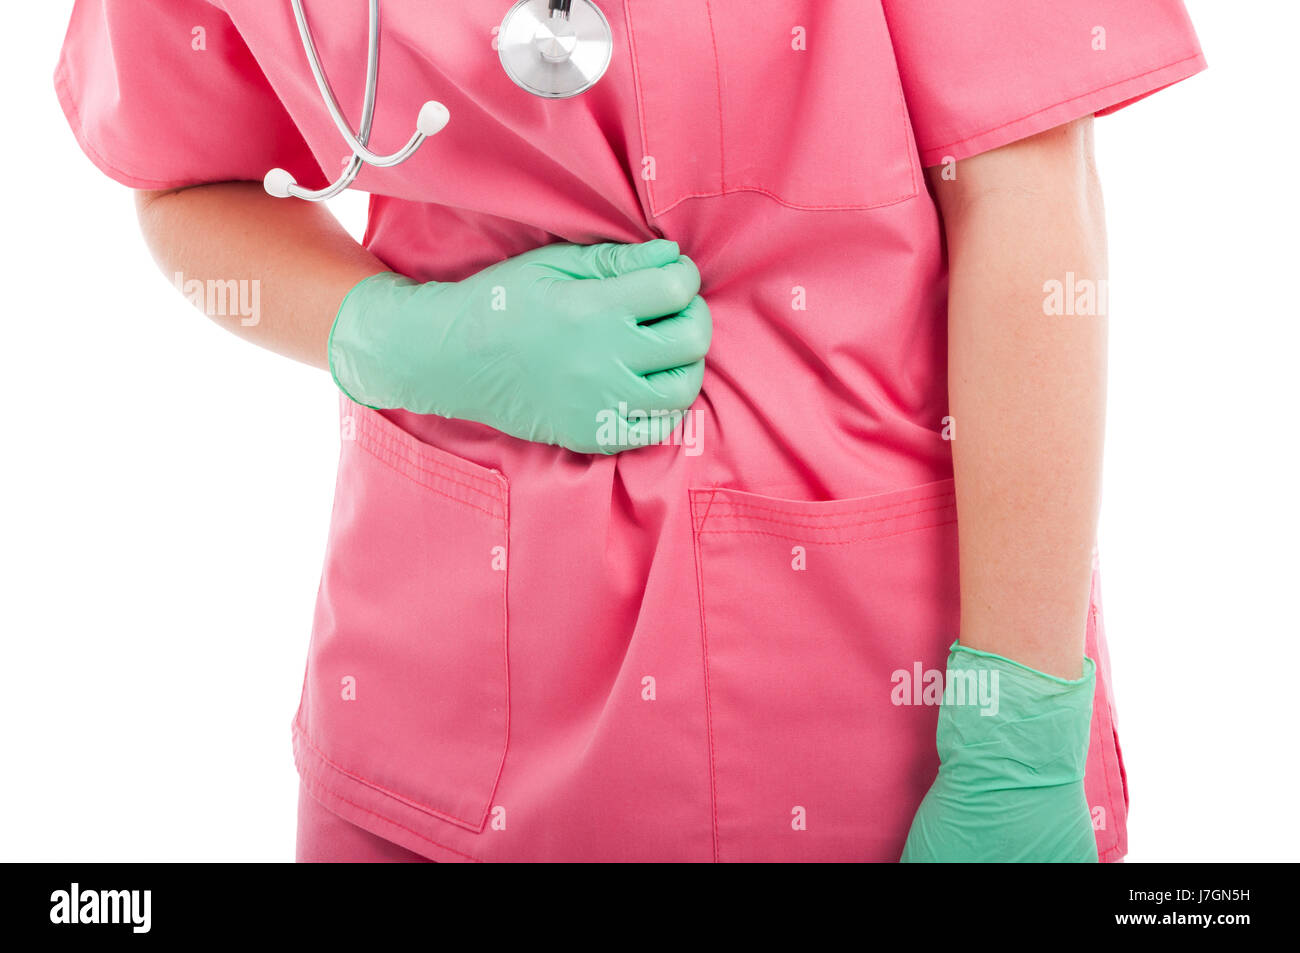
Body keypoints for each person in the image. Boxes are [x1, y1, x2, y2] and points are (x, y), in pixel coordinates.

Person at [54, 0, 1205, 862]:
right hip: (437, 721)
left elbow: (1025, 190)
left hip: (869, 709)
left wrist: (1018, 735)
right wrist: (395, 335)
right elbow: (179, 179)